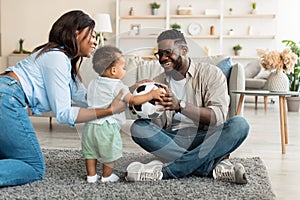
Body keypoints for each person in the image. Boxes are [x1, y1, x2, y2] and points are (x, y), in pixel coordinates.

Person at [0, 10, 127, 187]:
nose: (95, 41)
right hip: (6, 98)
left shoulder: (62, 60)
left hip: (5, 95)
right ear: (76, 33)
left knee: (11, 156)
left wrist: (132, 97)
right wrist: (109, 111)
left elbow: (87, 98)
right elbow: (63, 113)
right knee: (33, 166)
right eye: (92, 35)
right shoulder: (57, 58)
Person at [126, 29, 250, 184]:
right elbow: (155, 125)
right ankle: (208, 166)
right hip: (172, 139)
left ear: (184, 50)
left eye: (168, 52)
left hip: (205, 138)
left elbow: (217, 117)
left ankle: (165, 172)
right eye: (160, 54)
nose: (164, 58)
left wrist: (180, 106)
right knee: (139, 128)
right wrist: (141, 106)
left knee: (239, 125)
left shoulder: (211, 74)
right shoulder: (157, 82)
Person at [82, 46, 165, 183]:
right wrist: (151, 94)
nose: (125, 70)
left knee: (90, 152)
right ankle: (106, 177)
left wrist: (133, 87)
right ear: (114, 70)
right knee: (109, 153)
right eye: (124, 67)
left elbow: (90, 97)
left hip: (90, 126)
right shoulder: (118, 85)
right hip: (107, 126)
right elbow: (132, 100)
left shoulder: (93, 83)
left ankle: (91, 176)